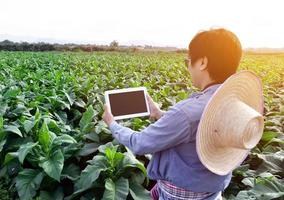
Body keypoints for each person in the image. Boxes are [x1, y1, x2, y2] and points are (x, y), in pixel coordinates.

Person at [102, 28, 243, 200]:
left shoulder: (186, 113)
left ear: (203, 62)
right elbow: (197, 131)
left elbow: (140, 143)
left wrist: (112, 124)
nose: (188, 67)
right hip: (212, 193)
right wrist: (159, 114)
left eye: (188, 61)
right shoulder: (235, 103)